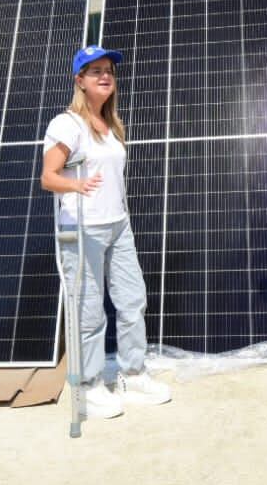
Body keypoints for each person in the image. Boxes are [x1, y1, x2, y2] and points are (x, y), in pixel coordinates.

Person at [40, 46, 172, 420]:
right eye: (94, 70)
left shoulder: (111, 124)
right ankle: (89, 385)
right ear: (79, 80)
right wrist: (76, 187)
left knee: (133, 300)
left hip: (118, 224)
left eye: (109, 70)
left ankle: (133, 373)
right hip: (82, 228)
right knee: (89, 312)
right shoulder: (66, 124)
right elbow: (48, 177)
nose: (104, 76)